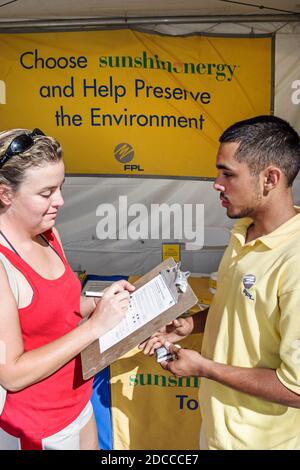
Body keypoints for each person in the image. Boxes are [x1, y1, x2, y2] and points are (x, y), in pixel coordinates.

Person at [140, 115, 300, 450]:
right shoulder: (244, 231)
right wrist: (189, 325)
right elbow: (240, 309)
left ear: (270, 178)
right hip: (218, 431)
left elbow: (296, 389)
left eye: (228, 173)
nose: (216, 183)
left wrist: (206, 369)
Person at [0, 128, 135, 450]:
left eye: (60, 187)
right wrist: (95, 326)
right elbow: (12, 374)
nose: (59, 201)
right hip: (36, 425)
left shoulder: (48, 233)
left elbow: (55, 309)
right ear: (5, 193)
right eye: (46, 193)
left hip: (76, 400)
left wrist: (99, 302)